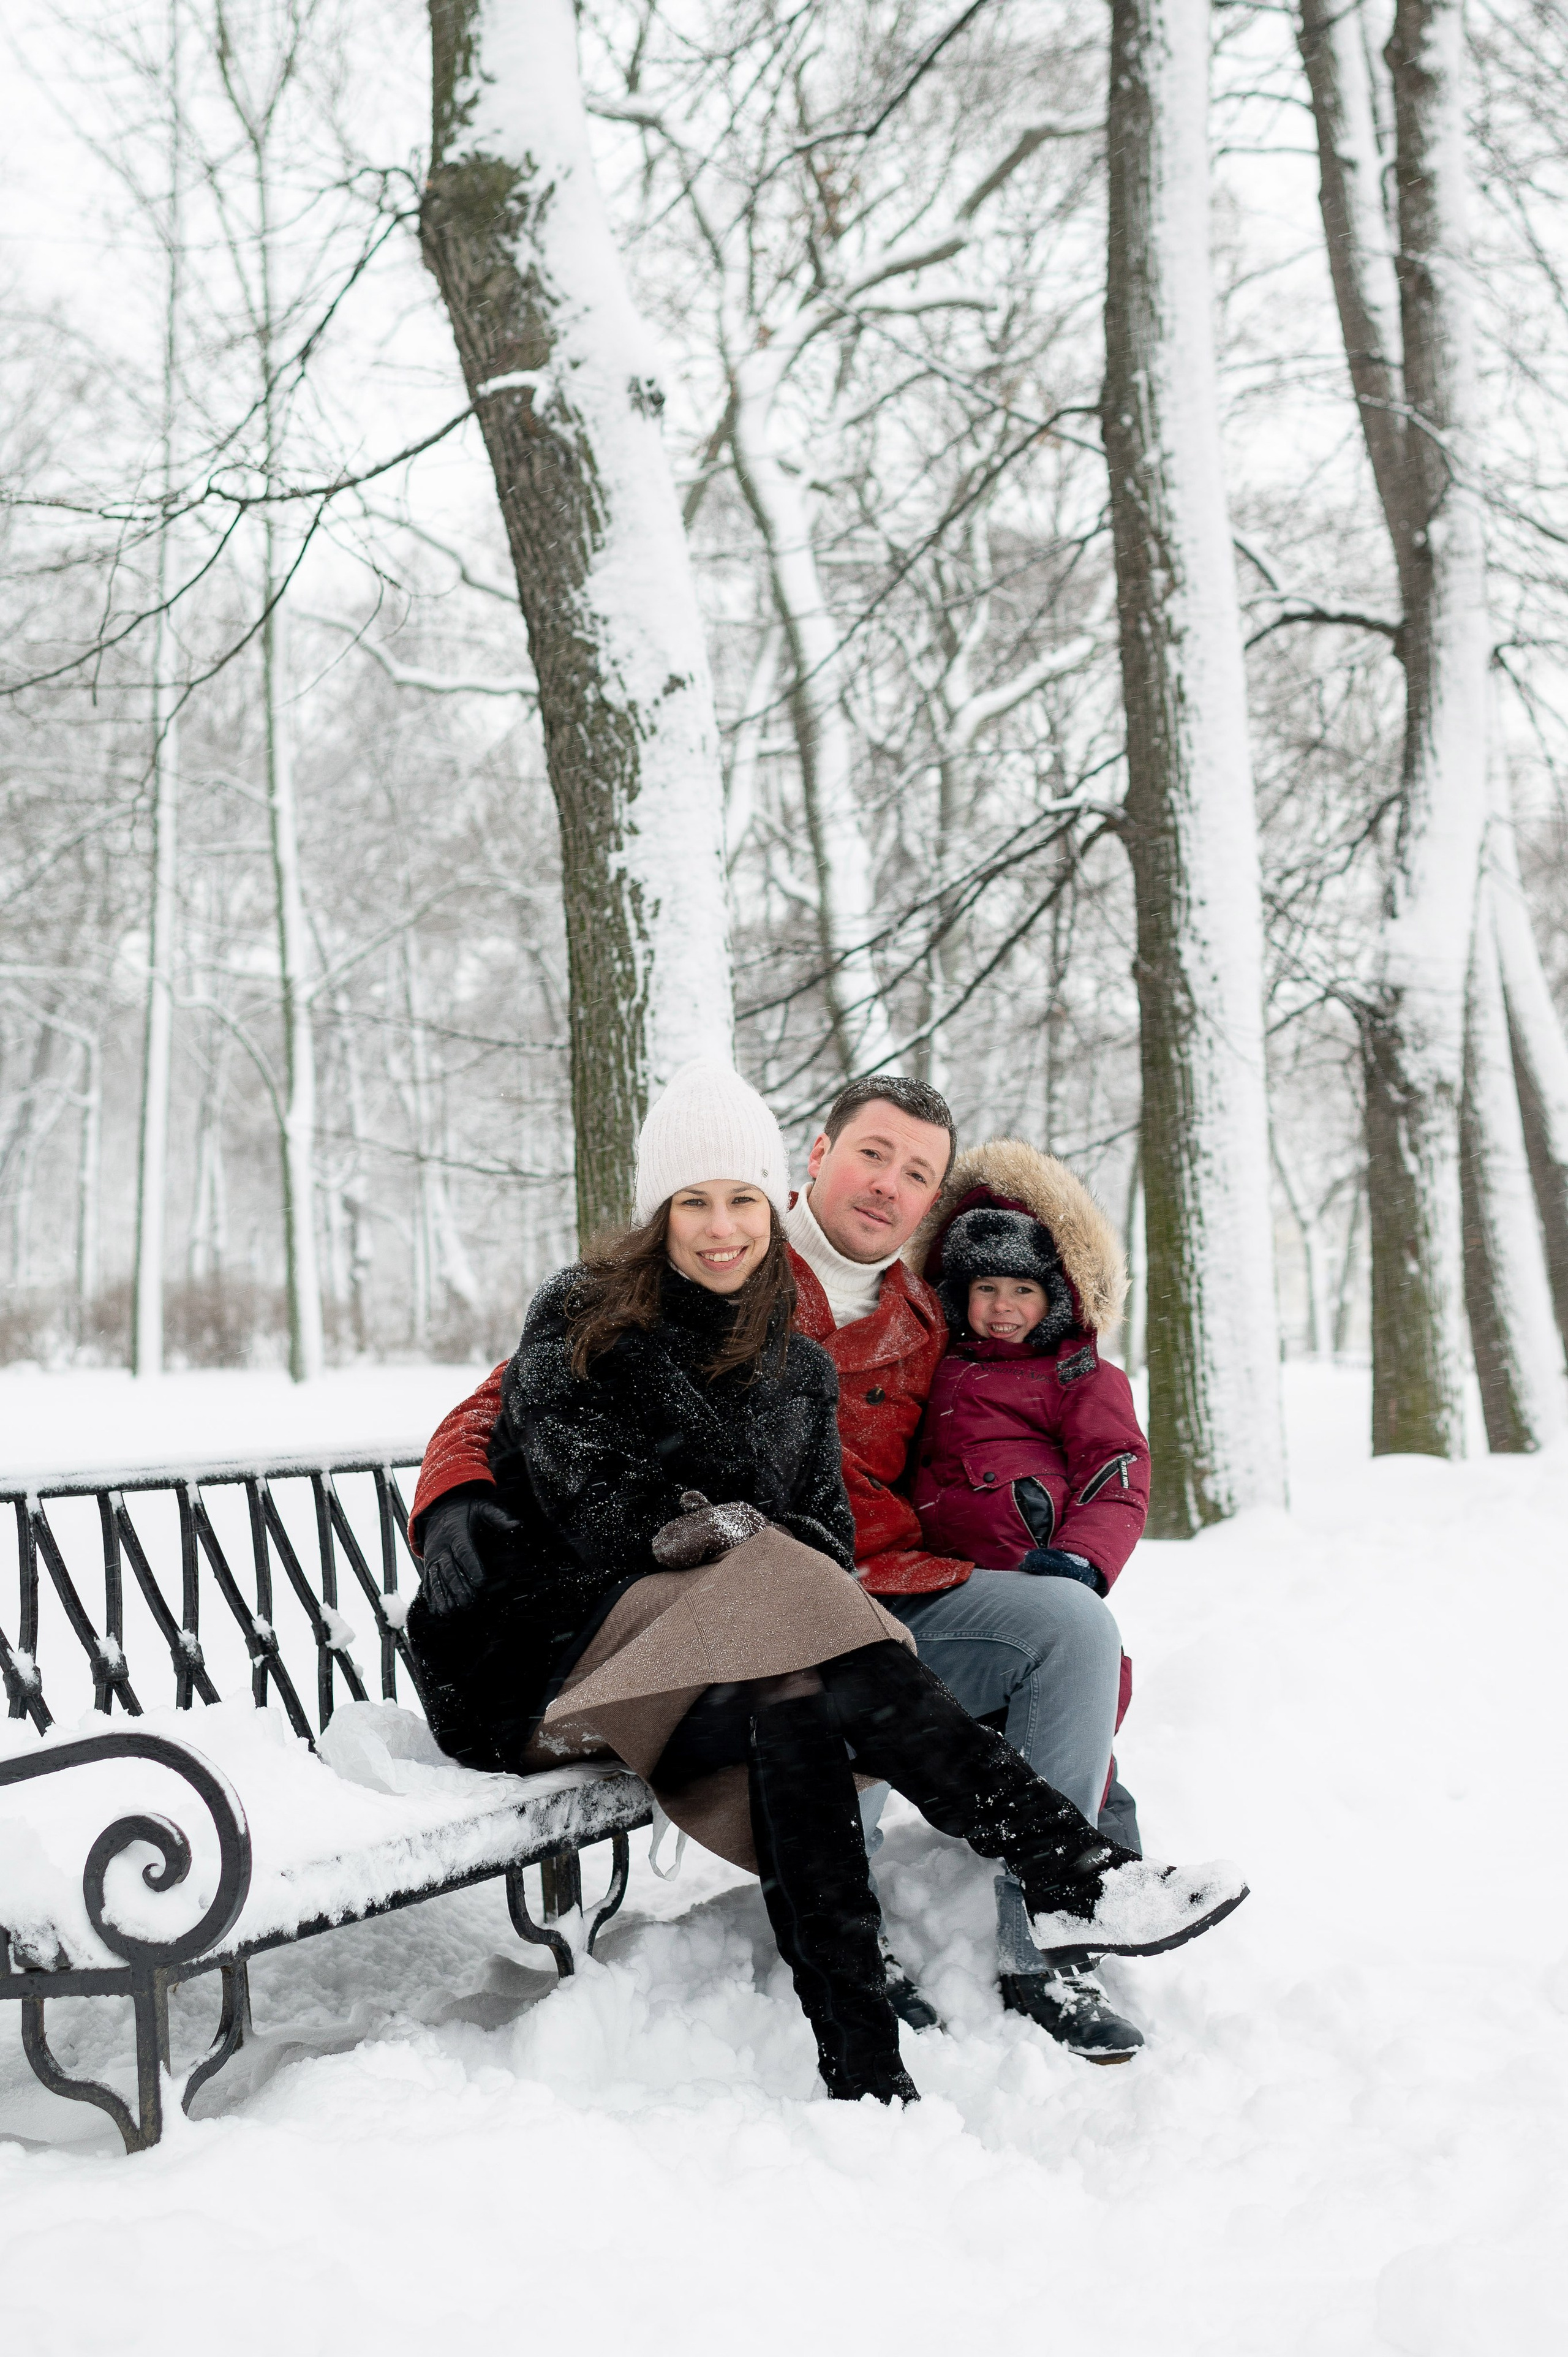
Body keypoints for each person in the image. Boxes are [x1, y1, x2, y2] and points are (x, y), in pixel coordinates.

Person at [405, 1060, 1246, 2106]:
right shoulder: (671, 1282)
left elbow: (1004, 1424)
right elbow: (511, 1405)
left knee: (1047, 1629)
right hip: (636, 1617)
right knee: (799, 1634)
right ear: (814, 1160)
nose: (887, 1184)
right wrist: (451, 1500)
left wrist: (1051, 1533)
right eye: (871, 1154)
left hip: (829, 1588)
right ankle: (1071, 1865)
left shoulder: (933, 1322)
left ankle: (1015, 1961)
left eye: (917, 1173)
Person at [902, 1139, 1152, 2060]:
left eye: (1025, 1293)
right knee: (996, 1759)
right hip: (948, 1599)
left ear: (1061, 1300)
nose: (1003, 1310)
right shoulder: (931, 1368)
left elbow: (1118, 1473)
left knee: (1078, 1770)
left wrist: (1082, 1558)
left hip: (1044, 1592)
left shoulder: (1078, 1377)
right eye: (986, 1291)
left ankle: (1066, 1934)